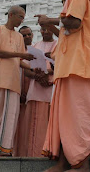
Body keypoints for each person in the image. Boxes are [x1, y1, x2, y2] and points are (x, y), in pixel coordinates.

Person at [36, 0, 90, 171]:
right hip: (66, 68)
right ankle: (65, 162)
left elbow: (73, 22)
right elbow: (67, 31)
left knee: (78, 114)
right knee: (64, 117)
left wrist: (49, 20)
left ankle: (82, 165)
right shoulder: (69, 1)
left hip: (78, 66)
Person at [0, 6, 35, 156]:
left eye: (23, 18)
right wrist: (21, 55)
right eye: (20, 17)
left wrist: (34, 70)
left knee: (10, 116)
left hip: (13, 81)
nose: (22, 20)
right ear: (11, 15)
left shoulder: (18, 37)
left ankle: (3, 150)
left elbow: (20, 61)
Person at [24, 26, 57, 157]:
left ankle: (50, 153)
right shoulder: (35, 46)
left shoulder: (58, 44)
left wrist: (46, 74)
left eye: (48, 29)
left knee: (51, 123)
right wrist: (37, 76)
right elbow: (26, 68)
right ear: (40, 31)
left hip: (52, 86)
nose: (46, 31)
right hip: (36, 88)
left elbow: (62, 63)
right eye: (43, 29)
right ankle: (34, 155)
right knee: (35, 126)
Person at [13, 25, 35, 157]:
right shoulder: (16, 52)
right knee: (16, 124)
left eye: (28, 34)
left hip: (32, 92)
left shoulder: (37, 50)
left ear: (33, 35)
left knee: (29, 124)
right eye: (23, 35)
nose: (27, 37)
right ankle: (15, 152)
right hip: (18, 91)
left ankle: (29, 152)